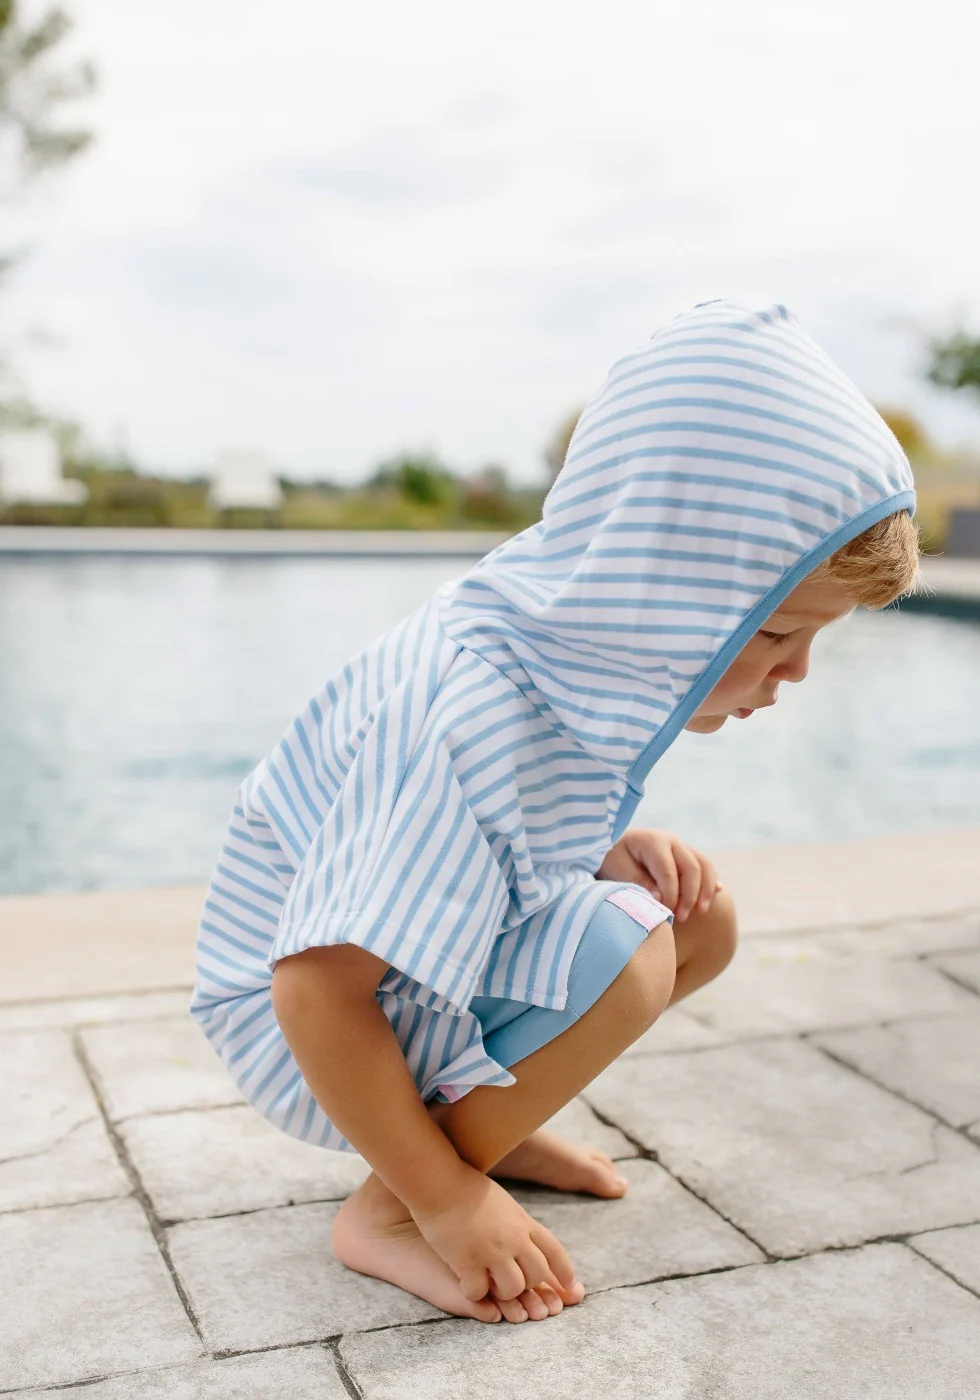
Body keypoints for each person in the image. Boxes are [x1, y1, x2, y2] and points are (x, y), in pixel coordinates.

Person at [189, 298, 920, 1326]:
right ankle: (399, 1204)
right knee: (629, 947)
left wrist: (607, 847)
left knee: (693, 915)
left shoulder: (550, 644)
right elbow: (313, 986)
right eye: (772, 634)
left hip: (381, 991)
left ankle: (478, 1129)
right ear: (665, 593)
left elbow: (490, 840)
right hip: (313, 1027)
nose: (795, 671)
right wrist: (446, 1204)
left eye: (812, 641)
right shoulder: (467, 710)